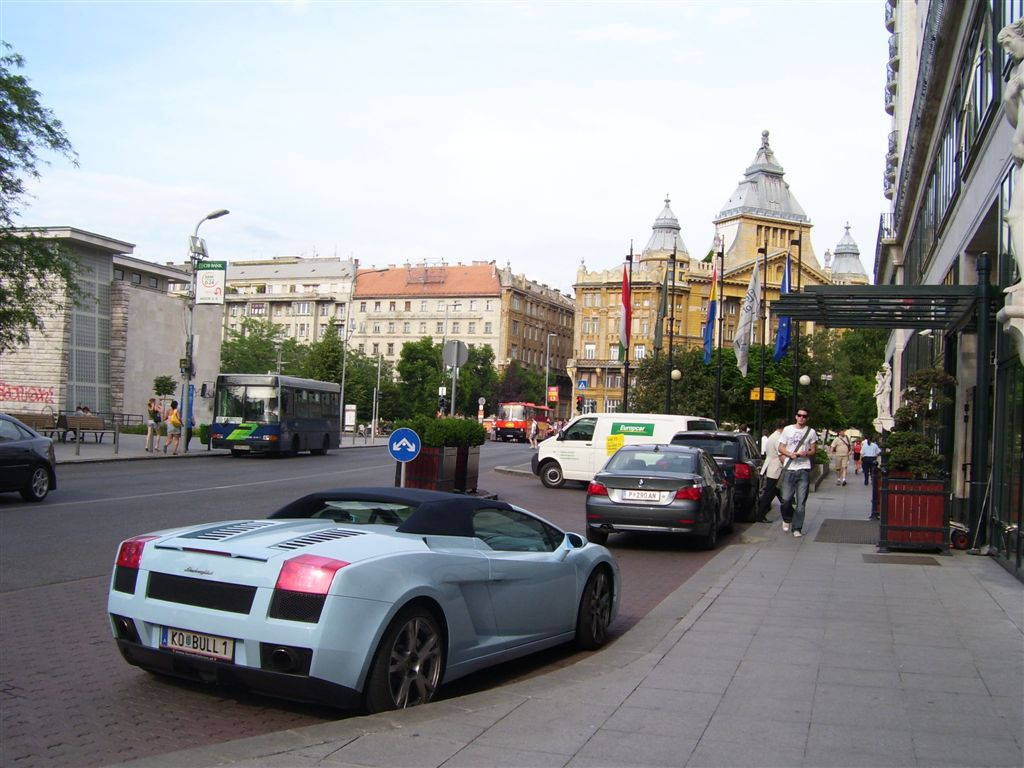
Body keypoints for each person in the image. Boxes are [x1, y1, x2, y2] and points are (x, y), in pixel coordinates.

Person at [777, 408, 818, 538]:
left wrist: (806, 453)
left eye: (804, 416)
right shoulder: (788, 430)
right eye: (799, 415)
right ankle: (787, 517)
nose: (802, 418)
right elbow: (780, 447)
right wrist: (790, 454)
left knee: (801, 502)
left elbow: (813, 450)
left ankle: (797, 527)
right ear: (795, 416)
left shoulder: (811, 432)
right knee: (785, 499)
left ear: (807, 418)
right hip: (790, 468)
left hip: (803, 468)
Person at [755, 419, 788, 522]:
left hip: (770, 466)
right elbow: (781, 454)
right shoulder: (778, 438)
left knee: (774, 492)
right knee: (769, 493)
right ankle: (760, 514)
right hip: (775, 468)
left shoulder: (772, 436)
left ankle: (789, 511)